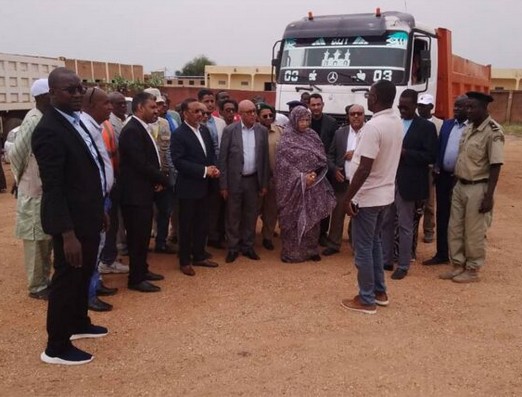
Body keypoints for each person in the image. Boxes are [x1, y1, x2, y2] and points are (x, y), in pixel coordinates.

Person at [32, 67, 108, 365]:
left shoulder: (74, 122)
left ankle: (78, 323)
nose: (77, 95)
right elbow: (54, 188)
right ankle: (56, 347)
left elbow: (87, 173)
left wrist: (99, 209)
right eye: (69, 90)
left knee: (83, 275)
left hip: (88, 215)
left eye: (80, 88)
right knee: (66, 281)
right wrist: (67, 234)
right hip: (70, 225)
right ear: (52, 93)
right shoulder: (49, 130)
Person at [340, 80, 403, 315]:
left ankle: (366, 299)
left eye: (370, 94)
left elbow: (365, 167)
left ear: (375, 98)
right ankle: (379, 291)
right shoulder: (395, 121)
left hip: (367, 197)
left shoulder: (374, 126)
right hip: (384, 194)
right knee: (374, 243)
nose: (367, 97)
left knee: (363, 248)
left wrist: (347, 199)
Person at [440, 92, 504, 283]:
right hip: (460, 184)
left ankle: (473, 268)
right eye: (466, 107)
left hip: (478, 187)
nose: (467, 111)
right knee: (455, 227)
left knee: (474, 230)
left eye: (471, 107)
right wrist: (455, 185)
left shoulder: (493, 132)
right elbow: (462, 158)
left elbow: (495, 165)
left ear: (484, 109)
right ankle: (457, 264)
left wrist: (488, 196)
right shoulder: (468, 128)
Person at [381, 89, 437, 280]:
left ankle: (403, 264)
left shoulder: (426, 127)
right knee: (386, 222)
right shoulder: (394, 123)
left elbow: (430, 156)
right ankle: (386, 259)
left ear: (415, 105)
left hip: (410, 181)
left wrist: (407, 153)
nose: (402, 110)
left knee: (405, 225)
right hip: (389, 180)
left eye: (406, 107)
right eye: (400, 106)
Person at [119, 92, 169, 293]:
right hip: (134, 194)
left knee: (143, 236)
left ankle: (143, 270)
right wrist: (161, 178)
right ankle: (136, 278)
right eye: (152, 107)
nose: (156, 110)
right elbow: (139, 163)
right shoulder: (132, 130)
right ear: (140, 108)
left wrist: (154, 181)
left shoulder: (141, 127)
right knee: (137, 237)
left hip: (144, 190)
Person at [9, 79, 52, 300]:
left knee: (46, 238)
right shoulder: (33, 120)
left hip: (43, 190)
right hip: (33, 190)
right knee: (35, 239)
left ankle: (45, 278)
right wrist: (22, 179)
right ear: (42, 97)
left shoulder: (46, 118)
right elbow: (16, 153)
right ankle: (37, 286)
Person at [275, 106, 336, 263]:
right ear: (294, 120)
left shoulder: (313, 135)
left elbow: (322, 156)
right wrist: (301, 177)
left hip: (313, 184)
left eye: (307, 120)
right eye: (301, 120)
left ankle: (311, 250)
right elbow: (282, 165)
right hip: (292, 188)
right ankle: (291, 252)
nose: (304, 123)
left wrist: (314, 173)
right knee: (292, 219)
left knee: (312, 218)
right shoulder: (286, 138)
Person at [171, 98, 220, 276]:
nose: (201, 114)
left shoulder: (205, 131)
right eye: (196, 111)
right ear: (185, 113)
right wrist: (203, 170)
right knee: (186, 226)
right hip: (188, 187)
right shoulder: (179, 134)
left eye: (202, 112)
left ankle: (199, 255)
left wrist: (213, 168)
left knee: (202, 223)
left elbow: (211, 153)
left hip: (206, 186)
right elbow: (178, 161)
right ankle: (184, 260)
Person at [219, 100, 269, 263]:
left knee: (250, 214)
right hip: (235, 180)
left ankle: (247, 246)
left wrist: (264, 183)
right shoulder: (230, 131)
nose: (253, 115)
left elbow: (264, 159)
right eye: (249, 112)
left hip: (253, 180)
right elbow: (223, 159)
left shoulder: (261, 131)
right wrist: (224, 184)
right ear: (240, 114)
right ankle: (233, 247)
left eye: (254, 111)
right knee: (233, 214)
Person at [80, 87, 116, 312]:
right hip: (93, 201)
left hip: (103, 197)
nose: (110, 107)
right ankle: (88, 295)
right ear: (90, 105)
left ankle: (96, 284)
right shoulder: (83, 128)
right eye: (106, 104)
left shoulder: (97, 126)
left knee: (99, 245)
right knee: (92, 249)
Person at [423, 96, 468, 266]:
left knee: (459, 218)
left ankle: (461, 256)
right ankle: (441, 254)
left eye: (460, 107)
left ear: (468, 108)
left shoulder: (471, 128)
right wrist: (436, 167)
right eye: (455, 107)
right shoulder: (447, 124)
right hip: (443, 177)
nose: (456, 110)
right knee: (443, 216)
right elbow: (440, 146)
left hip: (462, 179)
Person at [323, 104, 364, 256]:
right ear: (348, 116)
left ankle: (357, 246)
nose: (355, 116)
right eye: (352, 114)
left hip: (360, 184)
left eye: (359, 113)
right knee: (337, 213)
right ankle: (333, 244)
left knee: (358, 215)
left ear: (364, 115)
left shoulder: (369, 133)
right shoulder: (340, 133)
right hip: (342, 182)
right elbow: (330, 155)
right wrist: (334, 170)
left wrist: (357, 153)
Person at [198, 89, 227, 249]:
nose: (209, 104)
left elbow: (222, 147)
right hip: (201, 171)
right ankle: (201, 237)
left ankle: (214, 236)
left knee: (216, 204)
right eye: (206, 101)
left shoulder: (220, 122)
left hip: (218, 170)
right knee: (201, 205)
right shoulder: (195, 122)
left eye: (211, 101)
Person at [308, 93, 338, 246]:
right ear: (309, 106)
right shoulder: (304, 122)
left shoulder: (332, 123)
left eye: (318, 104)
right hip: (307, 169)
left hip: (325, 168)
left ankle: (322, 234)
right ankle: (309, 232)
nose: (316, 108)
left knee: (325, 202)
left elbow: (333, 147)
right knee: (309, 202)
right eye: (313, 105)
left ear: (323, 105)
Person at [417, 93, 443, 243]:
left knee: (429, 202)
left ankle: (428, 230)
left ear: (431, 107)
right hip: (415, 167)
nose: (421, 109)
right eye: (419, 106)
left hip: (429, 167)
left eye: (424, 106)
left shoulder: (440, 124)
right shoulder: (414, 122)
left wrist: (437, 166)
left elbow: (441, 147)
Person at [256, 102, 283, 250]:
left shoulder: (280, 131)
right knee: (253, 208)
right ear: (258, 117)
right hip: (256, 179)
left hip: (274, 178)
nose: (268, 118)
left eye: (270, 115)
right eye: (264, 115)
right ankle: (248, 237)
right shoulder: (253, 131)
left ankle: (267, 237)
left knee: (271, 210)